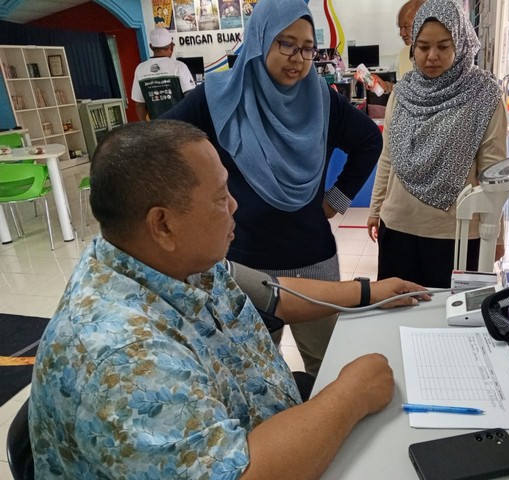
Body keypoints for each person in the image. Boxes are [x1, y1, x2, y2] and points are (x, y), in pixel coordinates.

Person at [28, 120, 430, 479]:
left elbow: (273, 295)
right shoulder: (124, 357)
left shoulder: (167, 259)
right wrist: (350, 395)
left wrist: (367, 291)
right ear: (163, 224)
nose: (235, 205)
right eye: (221, 198)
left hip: (264, 423)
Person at [162, 0, 382, 377]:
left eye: (307, 48)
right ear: (260, 39)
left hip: (313, 261)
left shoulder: (322, 100)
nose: (298, 58)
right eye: (286, 43)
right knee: (255, 375)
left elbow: (368, 141)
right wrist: (199, 208)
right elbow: (160, 145)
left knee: (327, 369)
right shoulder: (219, 98)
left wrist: (335, 200)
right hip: (245, 266)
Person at [367, 0, 507, 288]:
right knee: (398, 309)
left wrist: (497, 235)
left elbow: (493, 174)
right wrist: (375, 209)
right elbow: (388, 157)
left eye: (443, 46)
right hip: (398, 228)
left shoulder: (484, 96)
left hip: (456, 234)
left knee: (449, 313)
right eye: (423, 47)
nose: (432, 56)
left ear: (461, 43)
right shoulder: (402, 93)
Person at [131, 27, 195, 121]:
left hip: (157, 126)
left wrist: (145, 125)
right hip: (180, 124)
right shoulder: (179, 66)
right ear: (171, 46)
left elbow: (139, 105)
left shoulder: (140, 69)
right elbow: (191, 98)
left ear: (151, 46)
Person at [365, 1, 426, 95]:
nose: (401, 33)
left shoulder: (442, 57)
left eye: (406, 27)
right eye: (400, 28)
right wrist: (386, 86)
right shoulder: (404, 54)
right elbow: (407, 89)